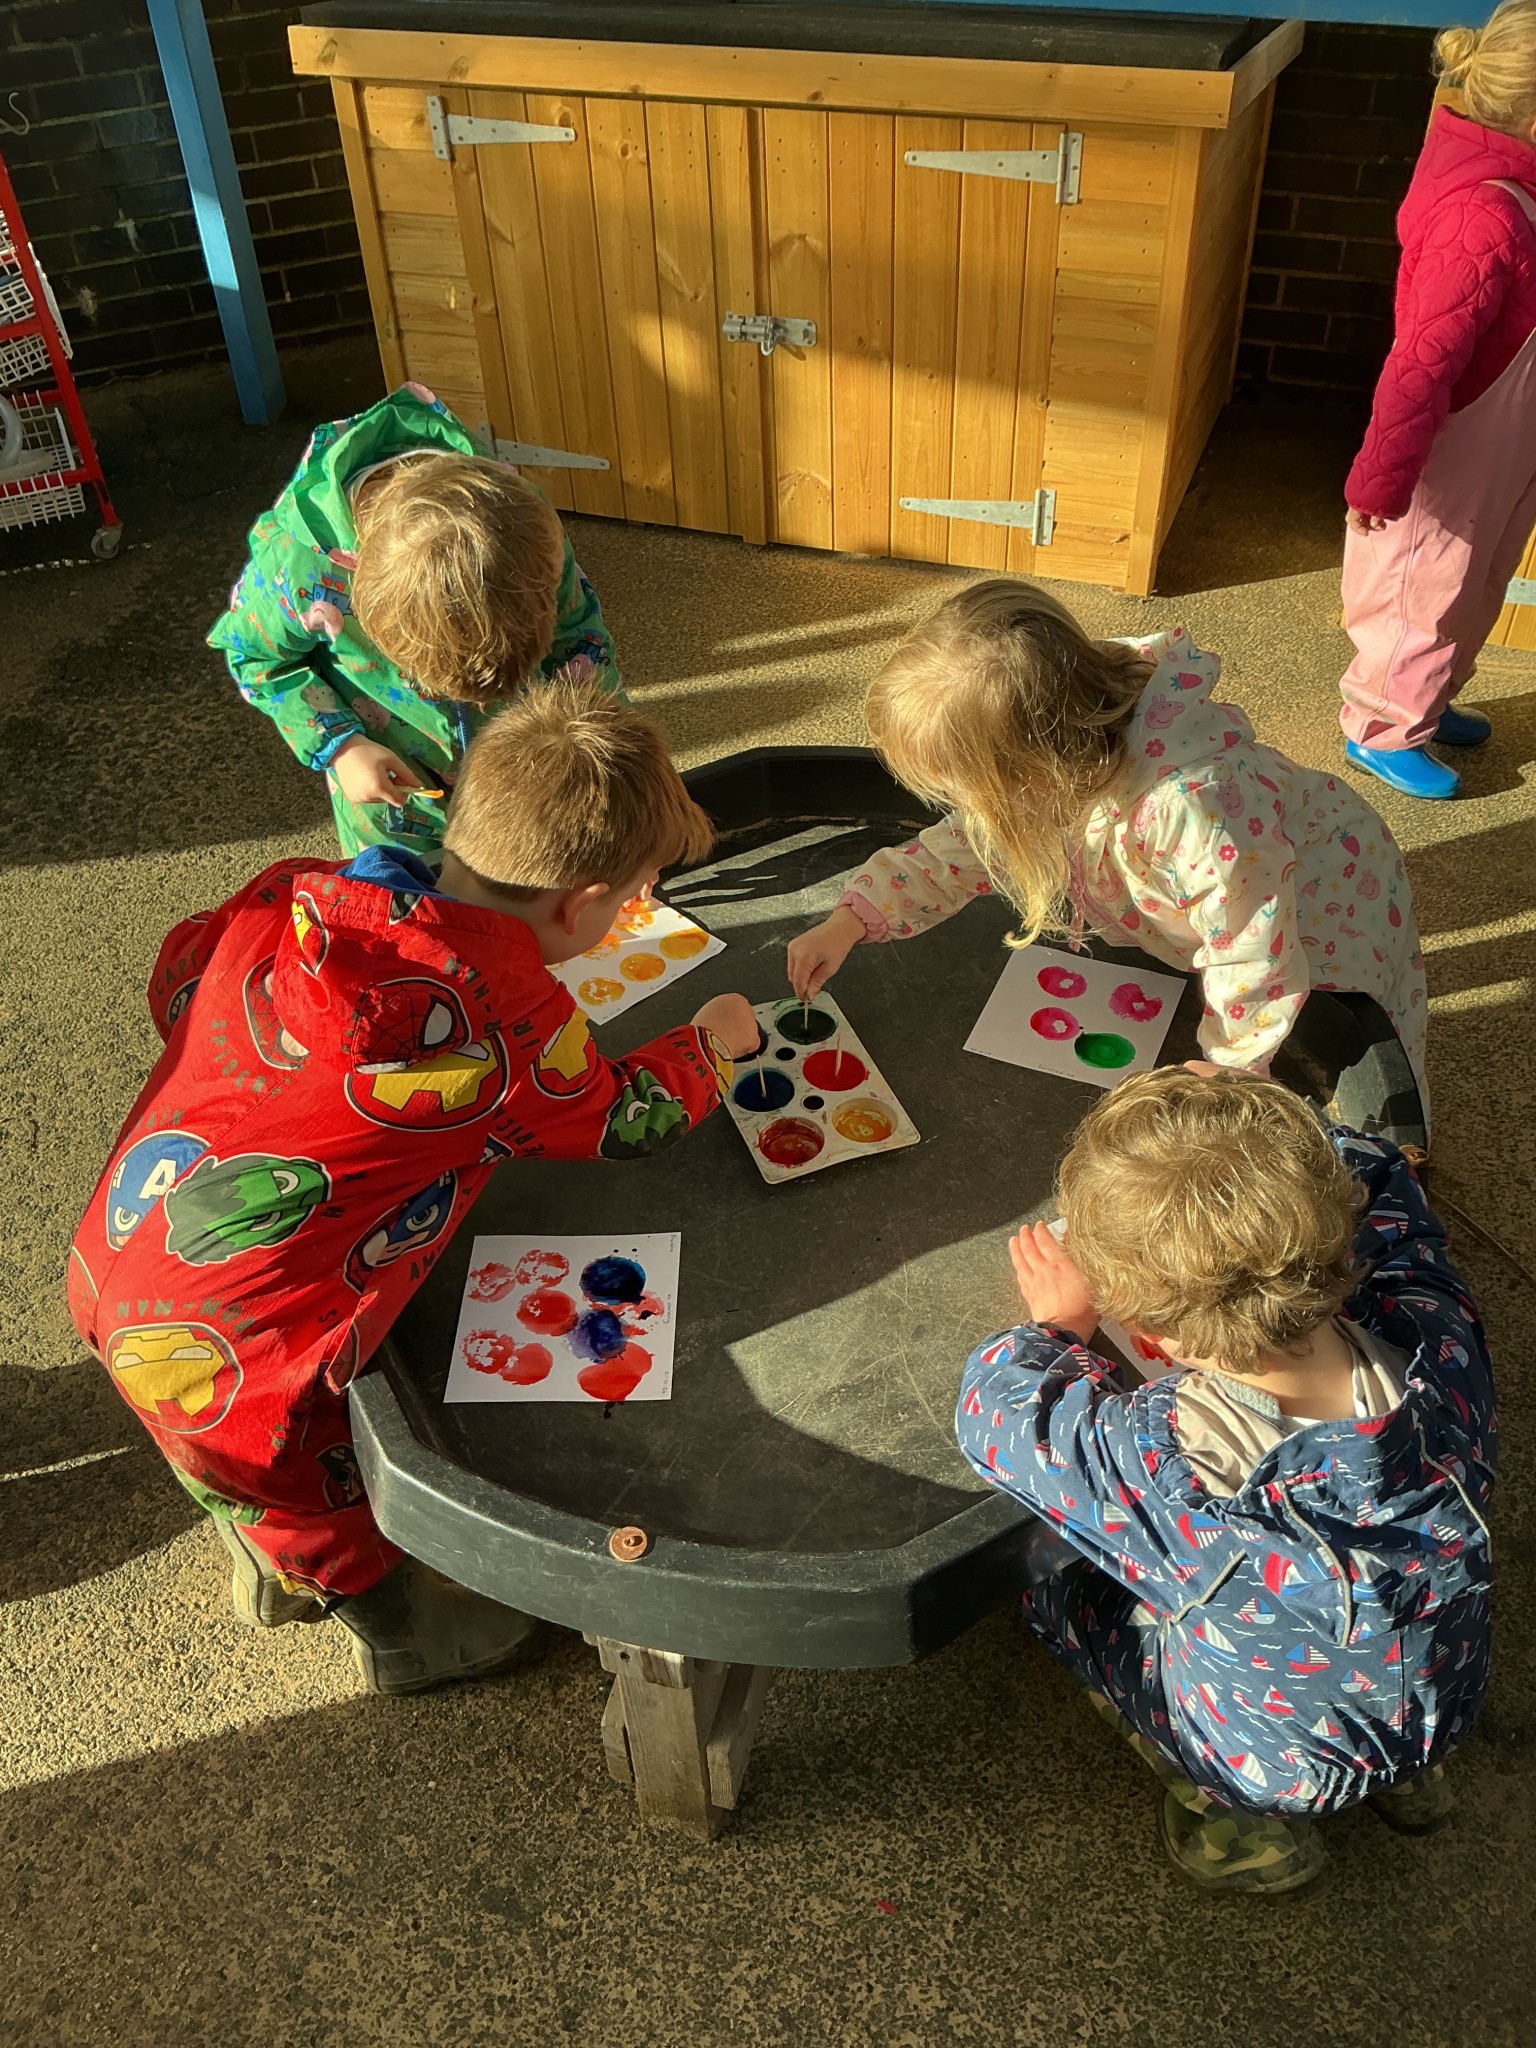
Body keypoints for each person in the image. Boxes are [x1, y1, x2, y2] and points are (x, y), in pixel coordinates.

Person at [66, 680, 755, 1695]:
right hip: (248, 1343)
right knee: (324, 1491)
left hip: (120, 1251)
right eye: (639, 893)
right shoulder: (503, 1023)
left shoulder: (300, 891)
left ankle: (266, 1562)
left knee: (227, 1464)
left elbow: (178, 974)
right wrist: (711, 1044)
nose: (639, 913)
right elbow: (620, 1117)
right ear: (584, 906)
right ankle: (392, 1626)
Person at [956, 1066, 1494, 1893]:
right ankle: (1409, 1781)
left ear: (1144, 1326)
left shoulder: (1170, 1475)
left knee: (1046, 1581)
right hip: (1438, 1704)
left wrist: (1059, 1329)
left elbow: (997, 1417)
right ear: (1335, 1231)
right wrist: (1261, 1133)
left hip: (1274, 1759)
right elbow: (1388, 1187)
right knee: (1364, 1649)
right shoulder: (1437, 1341)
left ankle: (1248, 1833)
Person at [787, 579, 1430, 1117]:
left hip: (1332, 901)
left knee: (1357, 1025)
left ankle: (1401, 1158)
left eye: (974, 791)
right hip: (1228, 889)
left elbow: (1251, 951)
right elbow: (959, 849)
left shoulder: (1193, 808)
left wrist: (1227, 1069)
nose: (971, 812)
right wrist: (849, 923)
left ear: (1038, 771)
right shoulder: (1067, 746)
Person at [208, 382, 620, 859]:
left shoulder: (526, 525)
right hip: (393, 803)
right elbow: (253, 655)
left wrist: (610, 767)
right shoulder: (298, 566)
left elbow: (579, 640)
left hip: (520, 786)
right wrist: (341, 747)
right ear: (370, 611)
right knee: (412, 917)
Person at [1339, 1, 1536, 801]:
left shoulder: (1520, 189)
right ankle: (1381, 726)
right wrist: (1380, 479)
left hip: (1505, 441)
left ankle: (1429, 696)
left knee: (1477, 579)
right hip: (1447, 452)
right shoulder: (1479, 216)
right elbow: (1419, 365)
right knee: (1422, 589)